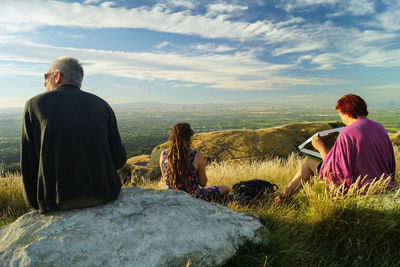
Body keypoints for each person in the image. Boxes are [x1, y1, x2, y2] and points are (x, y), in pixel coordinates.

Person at [21, 57, 127, 213]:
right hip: (104, 195)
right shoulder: (102, 105)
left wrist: (34, 203)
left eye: (46, 76)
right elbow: (119, 159)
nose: (44, 82)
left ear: (57, 77)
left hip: (55, 201)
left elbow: (28, 165)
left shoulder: (34, 106)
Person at [275, 94, 396, 202]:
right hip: (382, 183)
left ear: (347, 112)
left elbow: (334, 171)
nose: (341, 118)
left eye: (341, 114)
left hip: (360, 186)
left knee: (310, 161)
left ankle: (284, 196)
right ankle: (284, 196)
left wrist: (321, 148)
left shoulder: (347, 132)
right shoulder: (380, 128)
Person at [160, 122, 230, 201]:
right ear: (189, 137)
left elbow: (166, 180)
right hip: (192, 196)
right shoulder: (196, 155)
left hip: (170, 196)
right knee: (225, 189)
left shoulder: (163, 154)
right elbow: (203, 183)